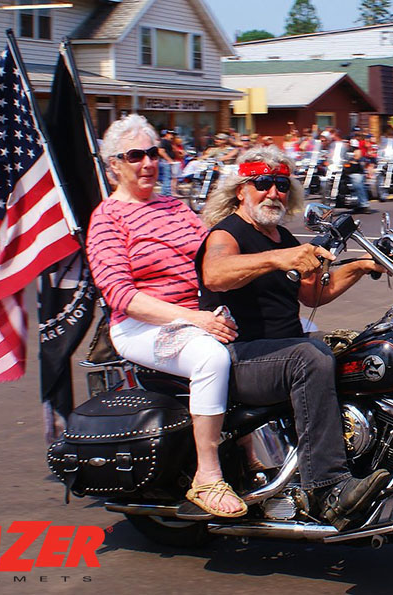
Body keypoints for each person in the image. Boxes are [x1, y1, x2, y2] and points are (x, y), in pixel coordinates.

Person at [196, 146, 390, 531]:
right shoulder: (227, 233)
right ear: (241, 190)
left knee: (363, 351)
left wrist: (364, 265)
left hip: (279, 353)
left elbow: (312, 294)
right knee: (310, 356)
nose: (273, 193)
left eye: (281, 184)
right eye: (263, 183)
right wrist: (278, 258)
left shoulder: (281, 235)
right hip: (241, 358)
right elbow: (215, 273)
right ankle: (328, 487)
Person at [85, 115, 246, 518]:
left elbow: (213, 253)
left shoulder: (174, 206)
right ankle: (207, 476)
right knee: (211, 358)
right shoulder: (108, 218)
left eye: (152, 153)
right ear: (114, 165)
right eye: (135, 155)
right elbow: (120, 294)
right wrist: (194, 319)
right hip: (143, 325)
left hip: (197, 314)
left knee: (293, 337)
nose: (147, 163)